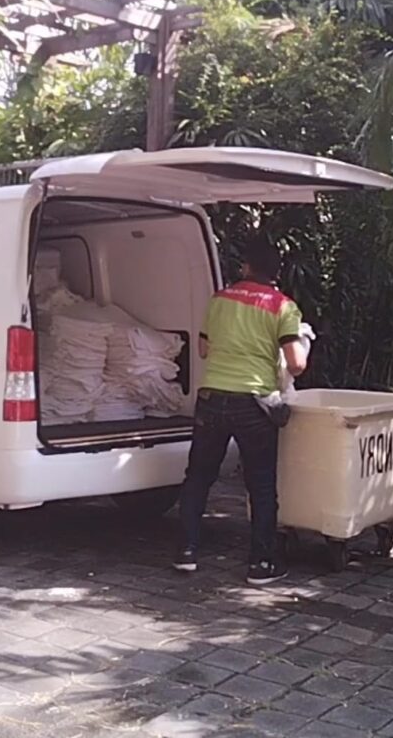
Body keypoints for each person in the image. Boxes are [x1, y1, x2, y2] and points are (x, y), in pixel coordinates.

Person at [173, 236, 309, 585]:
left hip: (212, 398)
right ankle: (261, 564)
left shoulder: (219, 299)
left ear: (246, 267)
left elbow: (204, 349)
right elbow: (296, 364)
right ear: (276, 272)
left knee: (198, 477)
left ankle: (186, 551)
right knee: (260, 485)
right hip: (254, 404)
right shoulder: (283, 307)